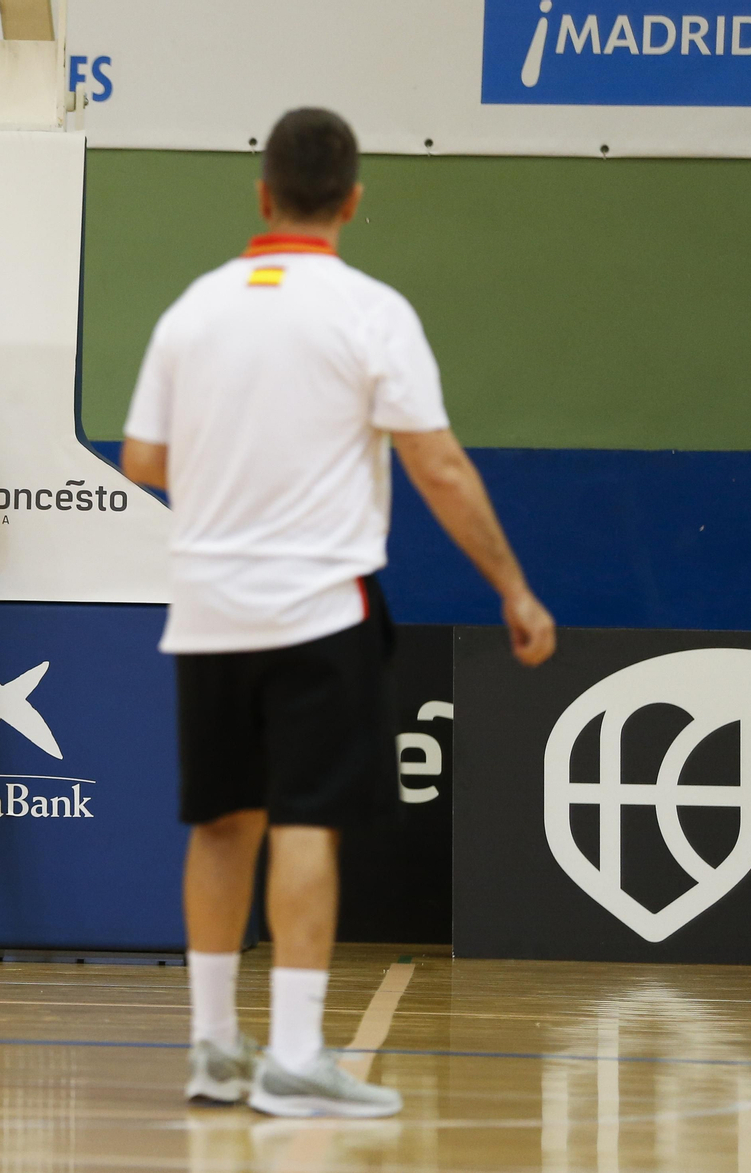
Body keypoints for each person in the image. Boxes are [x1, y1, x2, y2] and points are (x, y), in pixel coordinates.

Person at [122, 108, 555, 1118]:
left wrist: (234, 487)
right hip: (320, 606)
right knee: (306, 819)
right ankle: (296, 1055)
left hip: (208, 605)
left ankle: (213, 1048)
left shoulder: (194, 308)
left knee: (221, 822)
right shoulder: (370, 310)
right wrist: (513, 587)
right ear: (353, 200)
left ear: (262, 193)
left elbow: (142, 458)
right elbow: (438, 465)